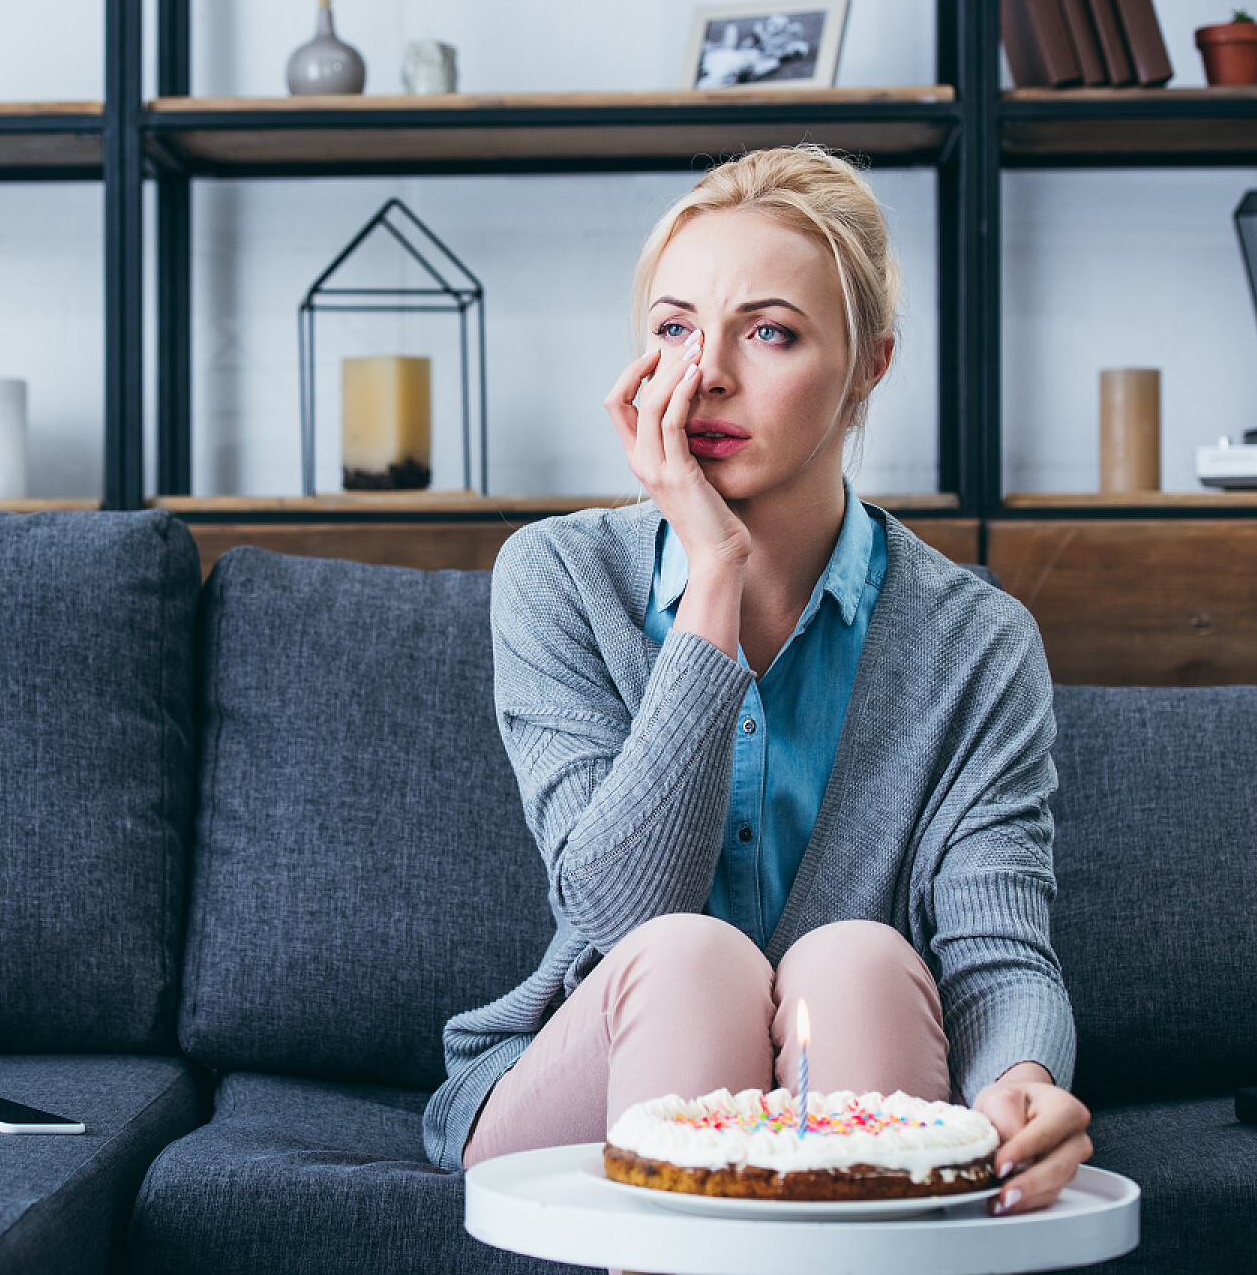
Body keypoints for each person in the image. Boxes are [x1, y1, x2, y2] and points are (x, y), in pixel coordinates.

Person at [422, 146, 1092, 1217]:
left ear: (870, 365)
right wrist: (714, 578)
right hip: (588, 1066)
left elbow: (998, 951)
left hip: (861, 1068)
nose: (709, 375)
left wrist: (1022, 1083)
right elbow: (618, 911)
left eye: (769, 331)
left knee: (862, 961)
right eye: (675, 328)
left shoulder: (977, 643)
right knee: (691, 960)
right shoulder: (556, 577)